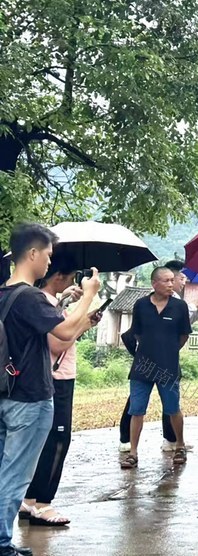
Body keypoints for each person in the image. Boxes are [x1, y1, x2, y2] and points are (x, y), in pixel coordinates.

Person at [0, 223, 102, 556]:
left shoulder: (4, 292)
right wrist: (89, 294)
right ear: (32, 254)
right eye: (47, 254)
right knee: (15, 476)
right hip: (29, 399)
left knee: (5, 471)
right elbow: (64, 330)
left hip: (6, 392)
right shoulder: (30, 296)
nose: (49, 261)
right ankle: (2, 543)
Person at [20, 251, 84, 527]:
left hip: (52, 377)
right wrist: (83, 316)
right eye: (68, 278)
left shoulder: (46, 302)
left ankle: (30, 500)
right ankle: (43, 503)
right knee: (57, 441)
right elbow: (58, 345)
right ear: (58, 277)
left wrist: (74, 313)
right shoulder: (44, 303)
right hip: (56, 379)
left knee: (44, 442)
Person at [117, 260, 198, 454]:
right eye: (166, 281)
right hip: (143, 367)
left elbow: (183, 335)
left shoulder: (180, 306)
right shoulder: (140, 305)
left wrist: (169, 350)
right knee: (137, 409)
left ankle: (179, 444)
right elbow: (137, 333)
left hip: (168, 366)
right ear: (154, 283)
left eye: (172, 280)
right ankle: (133, 451)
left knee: (173, 408)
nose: (170, 284)